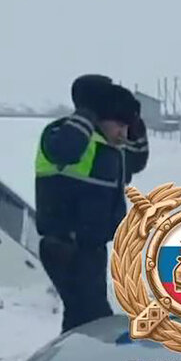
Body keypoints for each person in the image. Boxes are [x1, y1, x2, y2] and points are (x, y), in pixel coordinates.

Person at [34, 75, 149, 333]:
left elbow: (137, 162)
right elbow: (64, 150)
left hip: (91, 249)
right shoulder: (61, 134)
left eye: (126, 127)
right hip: (64, 247)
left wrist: (136, 124)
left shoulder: (109, 150)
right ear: (98, 120)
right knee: (93, 318)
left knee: (81, 319)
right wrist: (87, 110)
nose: (123, 133)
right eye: (118, 125)